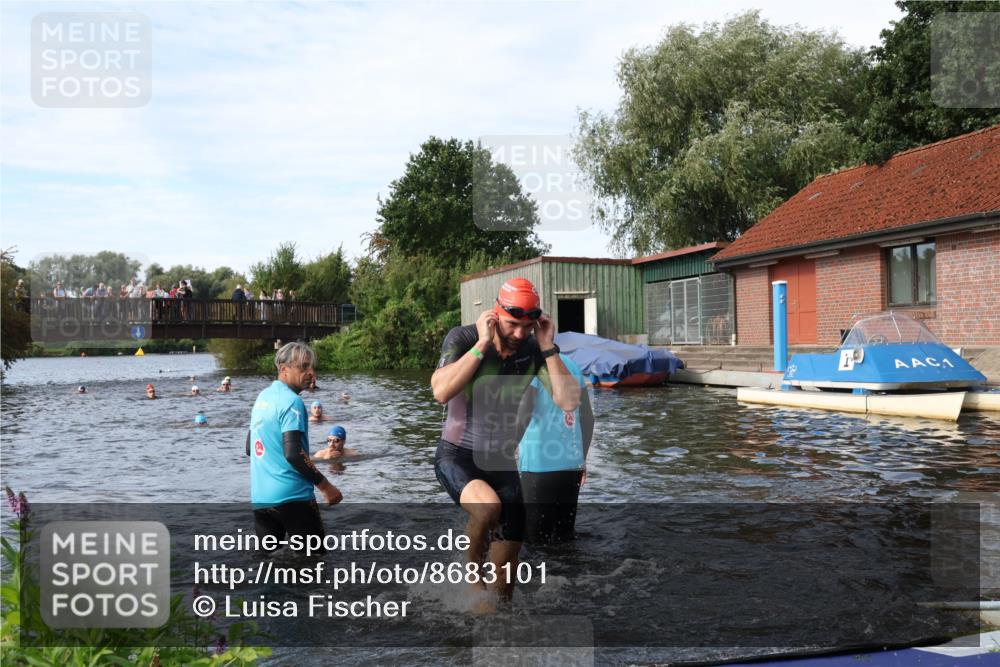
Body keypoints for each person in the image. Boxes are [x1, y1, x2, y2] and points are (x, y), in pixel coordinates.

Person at [430, 277, 579, 606]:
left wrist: (547, 347)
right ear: (495, 316)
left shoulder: (532, 348)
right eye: (513, 325)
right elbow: (440, 391)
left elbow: (568, 401)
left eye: (528, 326)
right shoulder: (465, 337)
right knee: (488, 508)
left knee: (505, 586)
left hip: (501, 462)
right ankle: (471, 586)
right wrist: (482, 345)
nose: (520, 334)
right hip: (457, 456)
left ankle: (498, 623)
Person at [246, 342, 342, 548]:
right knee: (314, 564)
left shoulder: (262, 398)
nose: (311, 372)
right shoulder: (291, 402)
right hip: (293, 498)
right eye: (304, 367)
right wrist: (326, 487)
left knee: (268, 565)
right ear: (283, 369)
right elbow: (294, 454)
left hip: (261, 499)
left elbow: (249, 448)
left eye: (311, 367)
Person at [516, 354, 594, 544]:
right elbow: (588, 419)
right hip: (571, 468)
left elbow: (524, 412)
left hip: (538, 467)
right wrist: (581, 458)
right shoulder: (573, 366)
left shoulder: (531, 364)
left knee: (534, 542)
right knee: (564, 538)